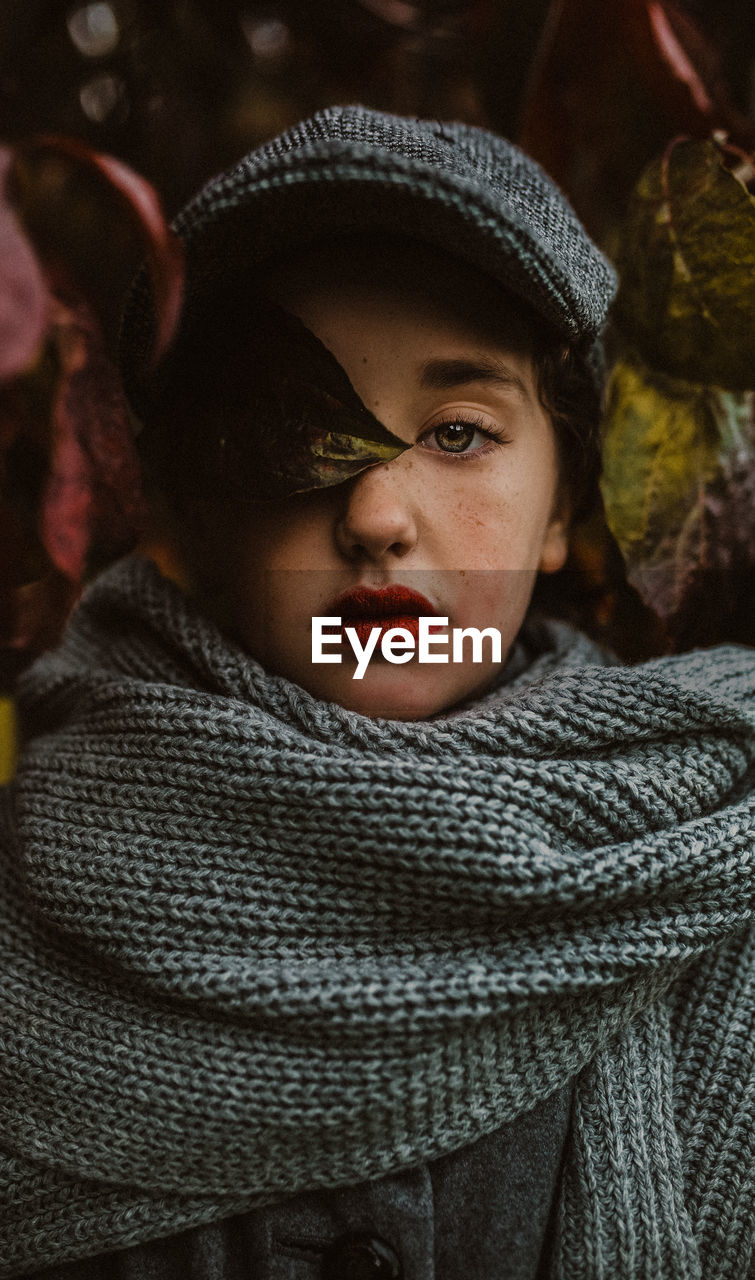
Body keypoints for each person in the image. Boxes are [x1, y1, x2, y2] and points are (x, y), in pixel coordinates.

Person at [0, 106, 753, 1280]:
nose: (374, 514)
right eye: (296, 431)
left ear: (561, 508)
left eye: (456, 430)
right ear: (200, 498)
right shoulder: (29, 880)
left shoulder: (716, 871)